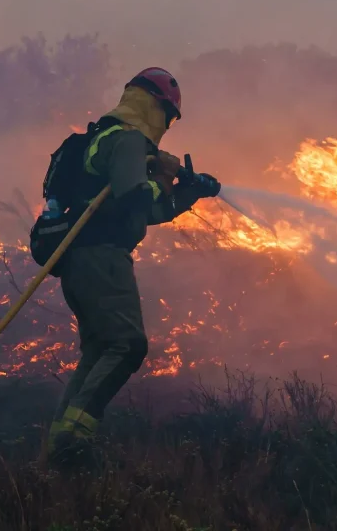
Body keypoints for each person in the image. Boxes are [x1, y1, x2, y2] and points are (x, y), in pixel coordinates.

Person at [47, 67, 220, 463]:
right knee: (128, 344)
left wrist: (188, 192)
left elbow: (148, 209)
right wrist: (161, 173)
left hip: (79, 260)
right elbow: (136, 203)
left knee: (98, 352)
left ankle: (58, 449)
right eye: (168, 117)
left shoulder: (104, 138)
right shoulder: (126, 140)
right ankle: (75, 442)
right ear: (155, 107)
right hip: (101, 258)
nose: (168, 127)